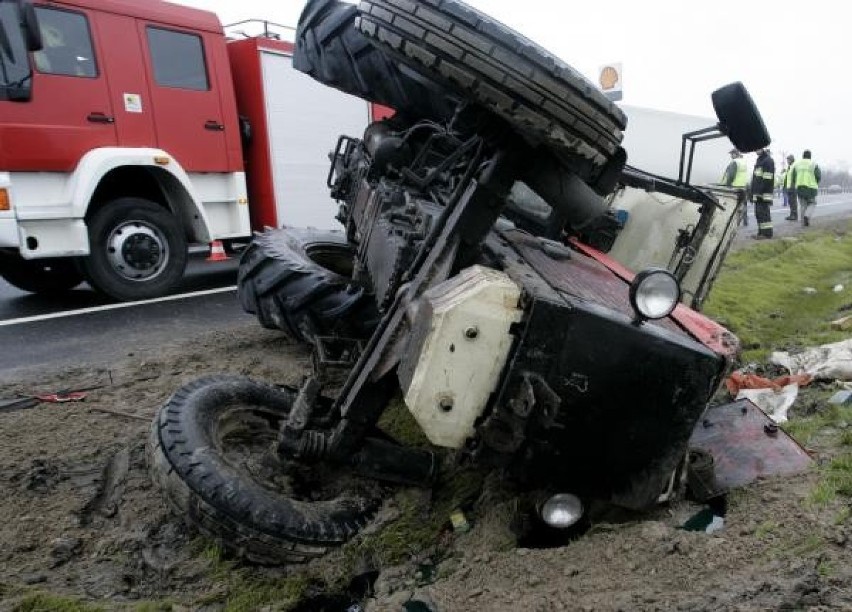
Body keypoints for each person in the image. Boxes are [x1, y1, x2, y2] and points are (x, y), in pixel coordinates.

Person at [790, 150, 821, 227]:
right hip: (811, 188)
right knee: (812, 203)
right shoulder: (813, 164)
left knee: (803, 205)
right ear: (810, 156)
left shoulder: (797, 164)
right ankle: (807, 216)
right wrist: (815, 182)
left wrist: (796, 183)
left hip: (800, 188)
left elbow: (793, 176)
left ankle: (803, 224)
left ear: (803, 156)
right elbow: (818, 176)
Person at [751, 148, 775, 239]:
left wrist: (760, 192)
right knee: (758, 213)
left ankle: (767, 234)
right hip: (758, 192)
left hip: (763, 193)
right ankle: (761, 233)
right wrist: (752, 192)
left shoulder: (768, 161)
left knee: (764, 214)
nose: (756, 150)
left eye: (758, 148)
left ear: (763, 149)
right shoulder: (760, 160)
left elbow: (767, 179)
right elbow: (756, 179)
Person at [721, 149, 749, 226]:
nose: (731, 156)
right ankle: (745, 221)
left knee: (734, 205)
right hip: (743, 186)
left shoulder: (734, 162)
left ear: (735, 154)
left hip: (735, 186)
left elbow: (731, 176)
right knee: (743, 204)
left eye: (732, 154)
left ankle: (735, 223)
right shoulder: (743, 162)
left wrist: (727, 185)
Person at [783, 154, 798, 221]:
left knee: (793, 202)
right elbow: (787, 177)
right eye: (787, 160)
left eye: (788, 160)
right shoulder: (789, 167)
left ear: (791, 160)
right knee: (790, 202)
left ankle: (794, 215)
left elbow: (795, 177)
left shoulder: (794, 166)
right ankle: (792, 215)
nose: (787, 161)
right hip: (789, 187)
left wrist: (793, 185)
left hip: (793, 187)